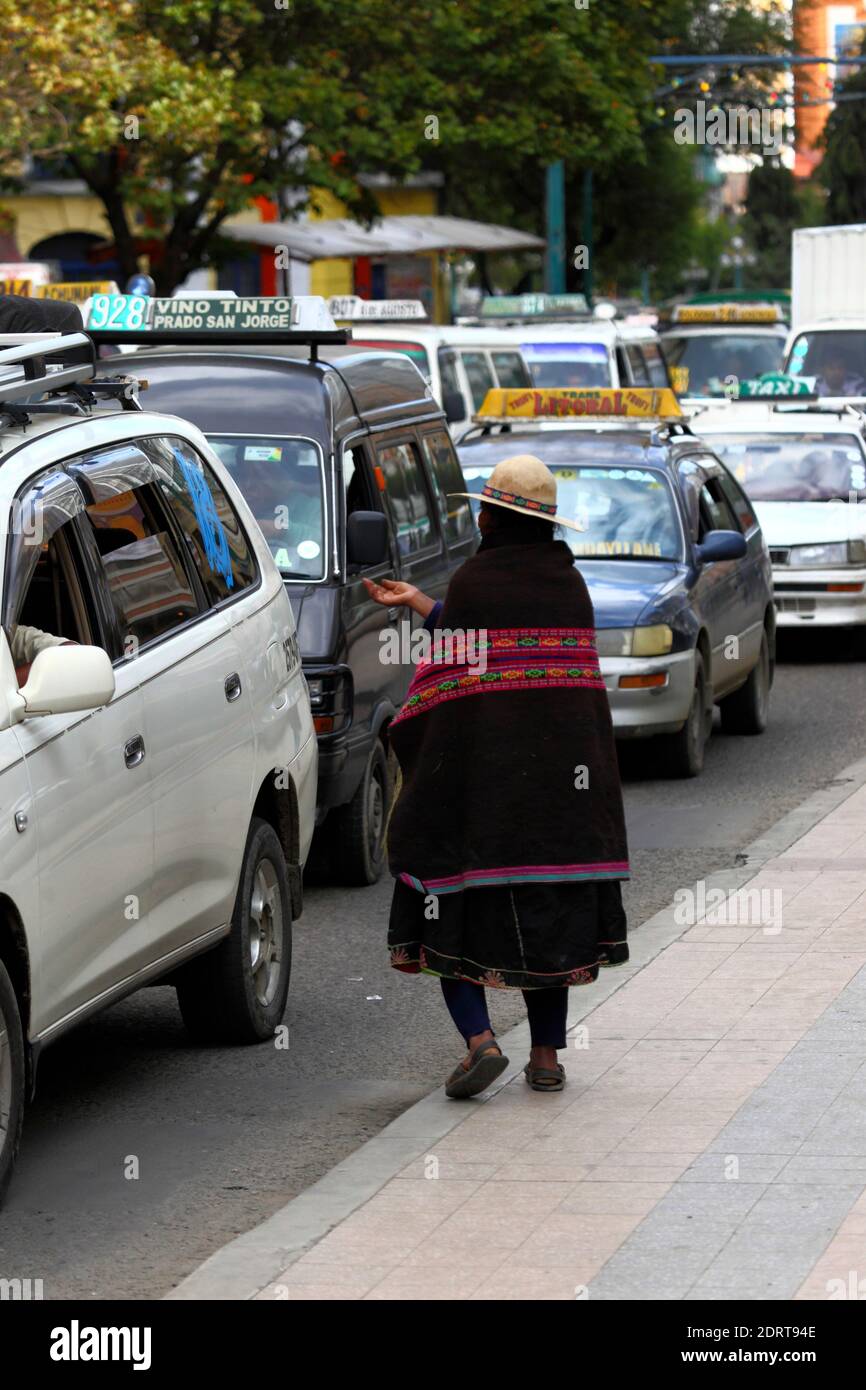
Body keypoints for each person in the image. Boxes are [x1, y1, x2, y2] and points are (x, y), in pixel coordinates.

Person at [364, 454, 630, 1098]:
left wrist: (404, 730)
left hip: (480, 800)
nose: (479, 516)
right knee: (551, 932)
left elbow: (449, 676)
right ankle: (545, 1059)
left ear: (494, 518)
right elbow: (489, 643)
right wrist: (426, 603)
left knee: (447, 899)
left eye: (485, 507)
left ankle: (481, 1042)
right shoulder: (570, 587)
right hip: (561, 808)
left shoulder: (478, 581)